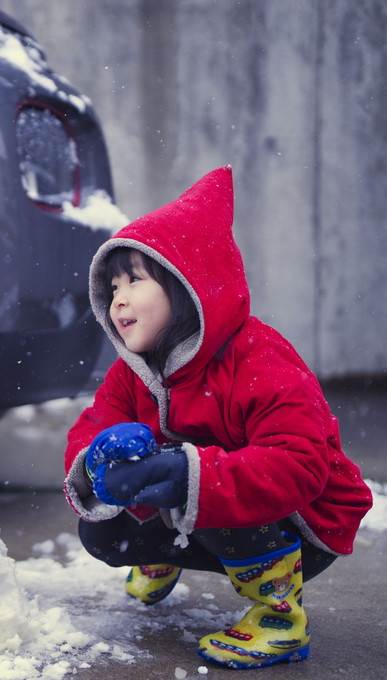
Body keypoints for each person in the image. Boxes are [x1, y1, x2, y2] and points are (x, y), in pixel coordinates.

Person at [63, 166, 372, 669]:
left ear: (188, 286)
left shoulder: (260, 361)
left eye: (135, 280)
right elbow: (93, 424)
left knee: (205, 490)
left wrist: (186, 476)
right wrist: (97, 457)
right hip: (213, 507)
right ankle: (160, 550)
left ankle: (279, 617)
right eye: (112, 285)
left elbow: (299, 464)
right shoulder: (134, 372)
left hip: (303, 522)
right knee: (104, 530)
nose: (118, 297)